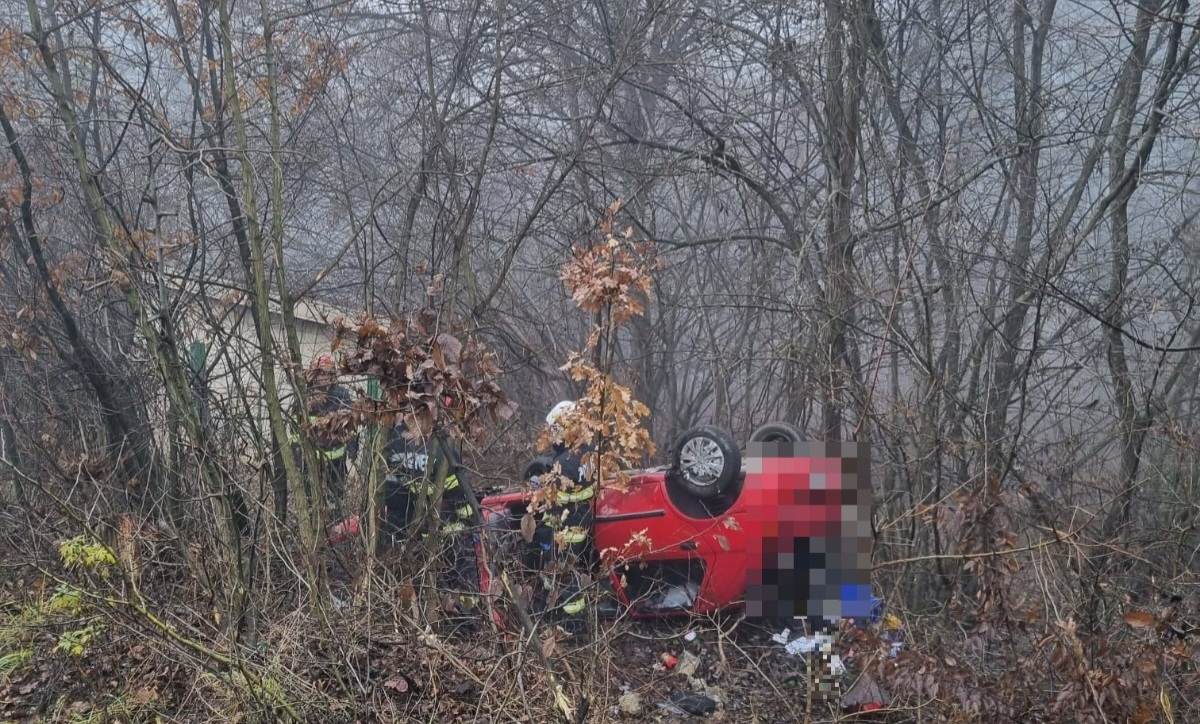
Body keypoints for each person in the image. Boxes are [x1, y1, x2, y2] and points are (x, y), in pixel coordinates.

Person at [526, 400, 594, 620]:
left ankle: (570, 624)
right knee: (570, 574)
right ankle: (572, 621)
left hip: (565, 529)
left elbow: (554, 502)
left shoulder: (564, 462)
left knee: (563, 578)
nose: (552, 435)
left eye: (555, 429)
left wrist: (540, 489)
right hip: (580, 522)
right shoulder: (587, 452)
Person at [290, 354, 357, 515]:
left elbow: (351, 426)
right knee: (311, 500)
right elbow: (295, 431)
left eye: (328, 373)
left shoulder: (342, 396)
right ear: (314, 374)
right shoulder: (304, 397)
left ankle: (336, 524)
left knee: (336, 500)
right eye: (321, 373)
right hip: (311, 460)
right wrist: (297, 457)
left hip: (337, 461)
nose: (324, 377)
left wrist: (353, 452)